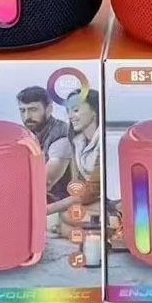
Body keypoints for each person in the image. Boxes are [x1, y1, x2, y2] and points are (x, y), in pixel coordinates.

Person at [47, 89, 101, 223]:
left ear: (94, 110)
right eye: (68, 111)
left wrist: (46, 210)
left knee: (68, 217)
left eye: (75, 110)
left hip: (102, 199)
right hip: (91, 201)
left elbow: (92, 191)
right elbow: (79, 186)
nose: (71, 116)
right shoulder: (77, 142)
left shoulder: (103, 142)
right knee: (66, 216)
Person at [16, 86, 71, 201]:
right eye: (22, 110)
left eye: (33, 110)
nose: (27, 117)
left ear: (49, 109)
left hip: (61, 202)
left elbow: (46, 182)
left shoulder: (62, 135)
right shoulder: (23, 135)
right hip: (32, 198)